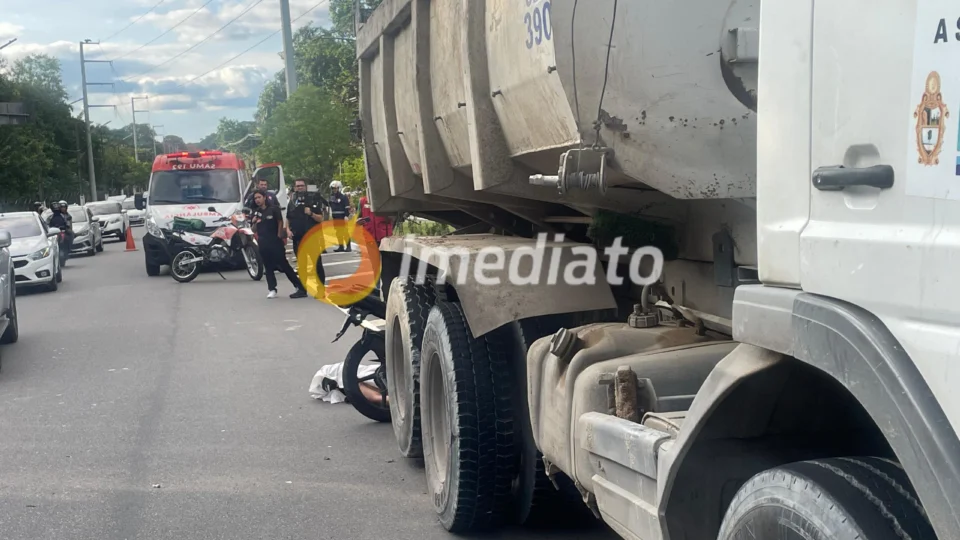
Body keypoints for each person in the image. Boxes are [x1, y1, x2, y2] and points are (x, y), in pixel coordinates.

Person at [251, 190, 307, 299]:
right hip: (263, 243)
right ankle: (272, 289)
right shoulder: (256, 212)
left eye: (259, 197)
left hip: (275, 242)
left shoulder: (273, 209)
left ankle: (299, 286)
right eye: (255, 198)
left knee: (284, 265)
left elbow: (280, 222)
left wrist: (279, 236)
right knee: (268, 267)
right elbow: (253, 230)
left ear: (264, 197)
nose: (257, 200)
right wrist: (254, 221)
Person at [286, 178, 329, 284]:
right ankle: (303, 289)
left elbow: (320, 218)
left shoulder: (313, 199)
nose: (299, 188)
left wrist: (310, 213)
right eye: (297, 186)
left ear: (305, 187)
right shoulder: (292, 201)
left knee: (316, 263)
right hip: (297, 237)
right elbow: (288, 217)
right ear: (294, 188)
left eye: (301, 185)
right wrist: (287, 230)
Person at [328, 180, 352, 252]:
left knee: (344, 232)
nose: (334, 190)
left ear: (339, 188)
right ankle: (340, 246)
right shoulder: (332, 197)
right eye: (333, 188)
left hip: (342, 216)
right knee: (338, 232)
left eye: (335, 188)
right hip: (335, 217)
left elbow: (347, 207)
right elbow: (329, 205)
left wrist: (346, 216)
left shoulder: (343, 197)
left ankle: (348, 247)